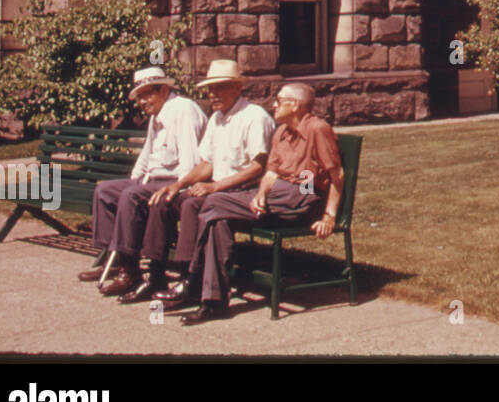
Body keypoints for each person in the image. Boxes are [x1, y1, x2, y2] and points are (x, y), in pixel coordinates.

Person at [178, 83, 344, 325]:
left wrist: (329, 216)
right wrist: (261, 195)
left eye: (278, 100)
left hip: (304, 192)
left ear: (294, 105)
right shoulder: (281, 132)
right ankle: (213, 302)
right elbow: (270, 174)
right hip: (279, 194)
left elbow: (337, 174)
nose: (273, 105)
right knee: (218, 219)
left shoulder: (317, 129)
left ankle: (192, 278)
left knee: (213, 201)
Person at [145, 59, 274, 308]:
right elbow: (206, 164)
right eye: (209, 89)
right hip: (220, 189)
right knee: (165, 200)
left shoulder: (254, 117)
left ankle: (188, 279)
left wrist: (215, 187)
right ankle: (156, 274)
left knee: (193, 205)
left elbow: (258, 168)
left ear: (237, 88)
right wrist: (177, 185)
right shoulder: (216, 119)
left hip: (243, 192)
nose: (212, 94)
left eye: (219, 88)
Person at [76, 67, 205, 296]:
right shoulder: (157, 115)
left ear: (164, 89)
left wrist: (179, 188)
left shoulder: (183, 110)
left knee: (130, 196)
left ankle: (131, 271)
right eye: (139, 97)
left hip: (174, 181)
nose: (142, 102)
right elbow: (147, 155)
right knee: (105, 191)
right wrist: (134, 179)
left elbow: (191, 160)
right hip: (151, 180)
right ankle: (115, 262)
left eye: (147, 94)